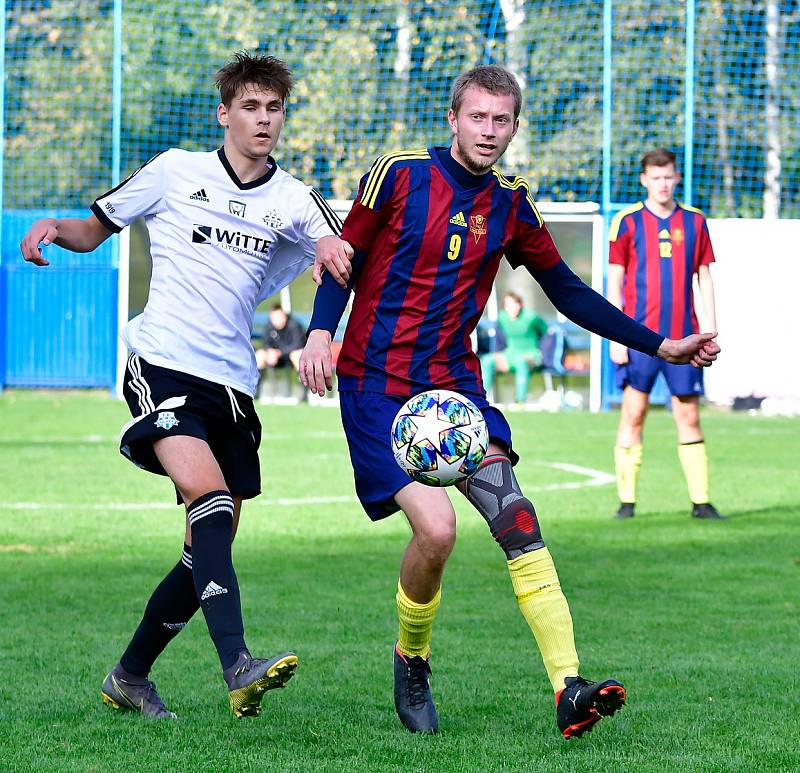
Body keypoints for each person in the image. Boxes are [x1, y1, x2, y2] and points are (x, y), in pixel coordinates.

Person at [298, 65, 719, 738]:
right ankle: (411, 658)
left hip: (455, 388)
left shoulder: (511, 203)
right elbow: (345, 255)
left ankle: (568, 686)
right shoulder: (399, 173)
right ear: (454, 118)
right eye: (479, 117)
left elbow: (571, 292)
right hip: (377, 384)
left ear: (515, 126)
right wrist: (320, 329)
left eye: (502, 120)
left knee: (515, 514)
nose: (490, 131)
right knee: (437, 531)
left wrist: (660, 344)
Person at [20, 52, 353, 719]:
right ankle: (238, 665)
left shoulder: (293, 198)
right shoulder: (175, 171)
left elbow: (339, 258)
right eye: (251, 107)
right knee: (210, 497)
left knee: (207, 542)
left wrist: (322, 313)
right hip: (163, 362)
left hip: (233, 384)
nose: (264, 120)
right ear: (223, 113)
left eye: (275, 108)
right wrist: (59, 229)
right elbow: (99, 226)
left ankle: (130, 676)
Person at [607, 148, 723, 521]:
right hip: (639, 340)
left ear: (677, 178)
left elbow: (704, 274)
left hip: (686, 337)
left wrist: (711, 328)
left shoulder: (695, 222)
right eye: (655, 177)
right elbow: (616, 280)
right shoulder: (626, 222)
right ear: (644, 180)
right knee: (634, 413)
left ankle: (701, 502)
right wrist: (615, 338)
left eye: (668, 176)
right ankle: (627, 503)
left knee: (688, 415)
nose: (662, 183)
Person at [480, 291, 549, 404]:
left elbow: (545, 332)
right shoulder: (502, 317)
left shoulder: (531, 317)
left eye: (515, 304)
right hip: (510, 354)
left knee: (521, 362)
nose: (512, 308)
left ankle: (519, 401)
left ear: (520, 304)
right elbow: (499, 340)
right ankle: (481, 399)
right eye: (509, 305)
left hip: (531, 354)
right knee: (487, 360)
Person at [255, 304, 306, 398]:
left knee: (298, 355)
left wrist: (279, 353)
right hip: (275, 358)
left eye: (280, 317)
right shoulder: (269, 326)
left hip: (290, 356)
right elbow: (266, 343)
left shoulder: (294, 325)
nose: (278, 320)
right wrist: (270, 351)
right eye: (275, 318)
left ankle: (304, 395)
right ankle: (256, 392)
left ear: (284, 316)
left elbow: (298, 344)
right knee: (260, 355)